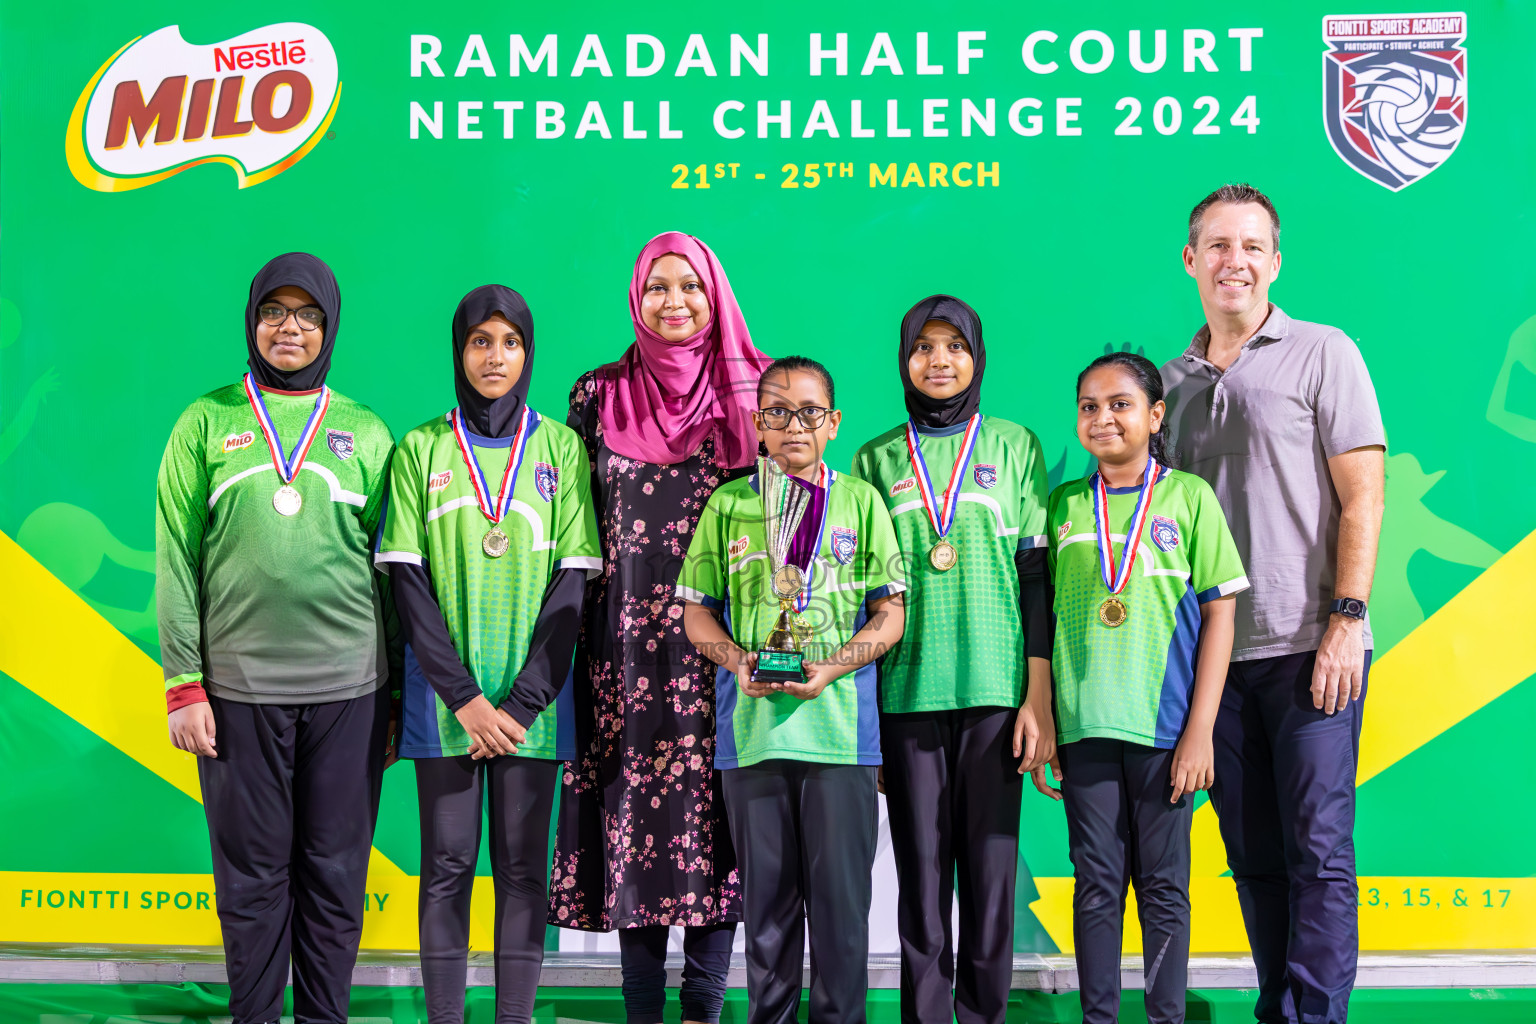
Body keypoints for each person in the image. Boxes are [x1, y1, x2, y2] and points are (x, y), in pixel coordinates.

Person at [1161, 184, 1386, 1024]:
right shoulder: (1168, 385)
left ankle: (1315, 1016)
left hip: (1310, 645)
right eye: (1219, 246)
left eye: (1253, 246)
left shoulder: (1325, 352)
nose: (1236, 262)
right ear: (1191, 261)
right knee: (1253, 854)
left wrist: (1348, 619)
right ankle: (1277, 1006)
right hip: (1215, 662)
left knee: (1319, 852)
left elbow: (1364, 497)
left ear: (1276, 261)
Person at [156, 252, 397, 1024]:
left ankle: (324, 1019)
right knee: (252, 877)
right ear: (252, 321)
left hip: (350, 694)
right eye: (273, 312)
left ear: (329, 328)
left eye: (307, 316)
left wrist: (395, 697)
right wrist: (184, 683)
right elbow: (174, 555)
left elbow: (395, 576)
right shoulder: (208, 419)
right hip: (236, 695)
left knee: (334, 873)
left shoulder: (365, 431)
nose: (288, 328)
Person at [551, 232, 770, 1024]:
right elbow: (572, 532)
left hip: (728, 656)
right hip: (623, 660)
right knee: (635, 829)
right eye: (657, 289)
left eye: (691, 287)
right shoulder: (597, 395)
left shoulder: (758, 394)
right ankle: (642, 1010)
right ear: (635, 300)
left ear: (717, 297)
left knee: (721, 826)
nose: (674, 303)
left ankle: (705, 1008)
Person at [374, 285, 601, 1023]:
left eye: (510, 341)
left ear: (528, 352)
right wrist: (467, 702)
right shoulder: (421, 449)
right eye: (480, 341)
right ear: (459, 351)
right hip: (447, 707)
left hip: (532, 703)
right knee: (443, 868)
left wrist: (522, 702)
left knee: (522, 872)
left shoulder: (561, 448)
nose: (495, 356)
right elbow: (408, 585)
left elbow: (572, 588)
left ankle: (513, 1018)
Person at [679, 356, 907, 1024]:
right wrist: (736, 660)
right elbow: (696, 611)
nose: (793, 425)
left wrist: (833, 668)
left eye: (810, 412)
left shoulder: (861, 501)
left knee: (841, 919)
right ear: (757, 424)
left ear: (833, 423)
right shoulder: (729, 504)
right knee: (769, 921)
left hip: (840, 741)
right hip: (753, 739)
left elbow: (890, 612)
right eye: (777, 412)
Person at [850, 295, 1054, 1024]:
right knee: (922, 878)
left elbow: (1036, 580)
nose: (939, 361)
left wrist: (1037, 698)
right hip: (905, 696)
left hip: (998, 693)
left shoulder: (1013, 445)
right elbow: (864, 600)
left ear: (977, 356)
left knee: (991, 880)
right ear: (904, 361)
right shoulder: (874, 458)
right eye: (923, 348)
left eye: (954, 347)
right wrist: (865, 721)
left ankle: (983, 1016)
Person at [1032, 352, 1246, 1024]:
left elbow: (1220, 615)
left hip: (1164, 731)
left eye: (1121, 404)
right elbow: (1044, 618)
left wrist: (1201, 732)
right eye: (1089, 406)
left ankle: (1165, 1017)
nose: (1103, 418)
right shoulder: (1062, 505)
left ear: (1155, 416)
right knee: (1096, 885)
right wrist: (1045, 717)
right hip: (1084, 727)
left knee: (1162, 889)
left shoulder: (1189, 499)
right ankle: (1100, 1017)